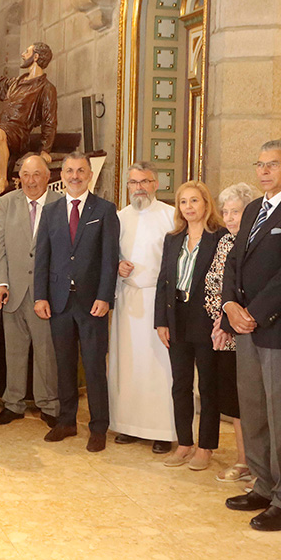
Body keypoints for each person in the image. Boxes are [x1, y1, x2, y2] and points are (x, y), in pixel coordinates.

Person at [221, 139, 281, 532]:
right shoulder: (255, 207)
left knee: (280, 415)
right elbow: (233, 261)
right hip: (243, 328)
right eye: (260, 164)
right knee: (252, 408)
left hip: (273, 329)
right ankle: (263, 484)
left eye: (273, 164)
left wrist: (253, 312)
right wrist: (229, 306)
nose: (264, 171)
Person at [33, 151, 118, 450]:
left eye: (81, 171)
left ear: (89, 175)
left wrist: (105, 296)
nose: (75, 176)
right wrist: (40, 296)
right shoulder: (51, 211)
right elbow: (42, 257)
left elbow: (110, 259)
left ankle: (98, 427)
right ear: (62, 175)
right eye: (69, 171)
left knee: (94, 367)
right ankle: (66, 421)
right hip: (58, 302)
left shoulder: (105, 210)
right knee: (64, 365)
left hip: (92, 303)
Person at [154, 181, 228, 471]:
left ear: (206, 204)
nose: (189, 207)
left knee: (208, 387)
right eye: (183, 202)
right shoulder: (173, 238)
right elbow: (163, 281)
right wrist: (161, 321)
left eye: (194, 201)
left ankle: (205, 447)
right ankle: (184, 442)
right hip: (177, 317)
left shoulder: (220, 237)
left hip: (207, 320)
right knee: (180, 385)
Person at [109, 162, 176, 454]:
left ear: (156, 184)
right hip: (127, 301)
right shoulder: (119, 218)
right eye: (133, 182)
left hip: (157, 302)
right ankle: (127, 425)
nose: (139, 187)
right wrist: (117, 266)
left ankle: (161, 430)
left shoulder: (171, 216)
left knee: (158, 367)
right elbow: (108, 255)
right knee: (128, 364)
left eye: (145, 181)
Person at [0, 154, 62, 428]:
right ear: (19, 177)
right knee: (14, 352)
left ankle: (49, 405)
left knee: (46, 353)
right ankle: (13, 403)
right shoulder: (7, 202)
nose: (31, 181)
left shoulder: (59, 204)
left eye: (37, 175)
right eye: (26, 175)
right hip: (13, 292)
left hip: (46, 294)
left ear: (48, 177)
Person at [205, 182, 257, 483]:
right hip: (223, 332)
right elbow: (215, 285)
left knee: (251, 401)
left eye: (235, 211)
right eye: (225, 212)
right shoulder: (225, 241)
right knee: (235, 401)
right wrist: (219, 320)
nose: (229, 218)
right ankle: (243, 460)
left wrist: (229, 322)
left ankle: (257, 463)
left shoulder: (255, 241)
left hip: (247, 331)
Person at [0, 43, 58, 195]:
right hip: (6, 130)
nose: (22, 54)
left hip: (20, 133)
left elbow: (49, 120)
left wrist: (46, 149)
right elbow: (0, 84)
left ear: (36, 57)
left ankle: (2, 179)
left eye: (27, 52)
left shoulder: (46, 88)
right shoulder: (16, 82)